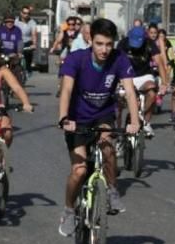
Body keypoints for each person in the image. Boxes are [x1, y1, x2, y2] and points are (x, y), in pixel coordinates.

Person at [58, 18, 141, 229]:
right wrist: (64, 118)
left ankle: (112, 190)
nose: (104, 50)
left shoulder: (120, 60)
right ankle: (68, 210)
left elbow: (130, 92)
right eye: (99, 43)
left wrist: (135, 120)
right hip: (77, 119)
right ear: (89, 40)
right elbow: (66, 89)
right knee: (79, 170)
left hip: (103, 114)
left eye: (108, 44)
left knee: (108, 149)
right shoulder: (76, 59)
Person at [117, 25, 168, 138]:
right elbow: (116, 62)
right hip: (126, 75)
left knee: (152, 92)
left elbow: (159, 63)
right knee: (119, 102)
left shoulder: (149, 43)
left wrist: (164, 83)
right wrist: (119, 80)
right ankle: (118, 130)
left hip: (144, 75)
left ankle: (144, 120)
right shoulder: (123, 43)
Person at [14, 5, 39, 73]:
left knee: (28, 60)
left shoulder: (32, 22)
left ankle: (28, 70)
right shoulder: (15, 22)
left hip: (27, 43)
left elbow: (34, 34)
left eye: (28, 13)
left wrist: (34, 44)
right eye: (24, 13)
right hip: (17, 43)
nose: (26, 15)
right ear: (21, 13)